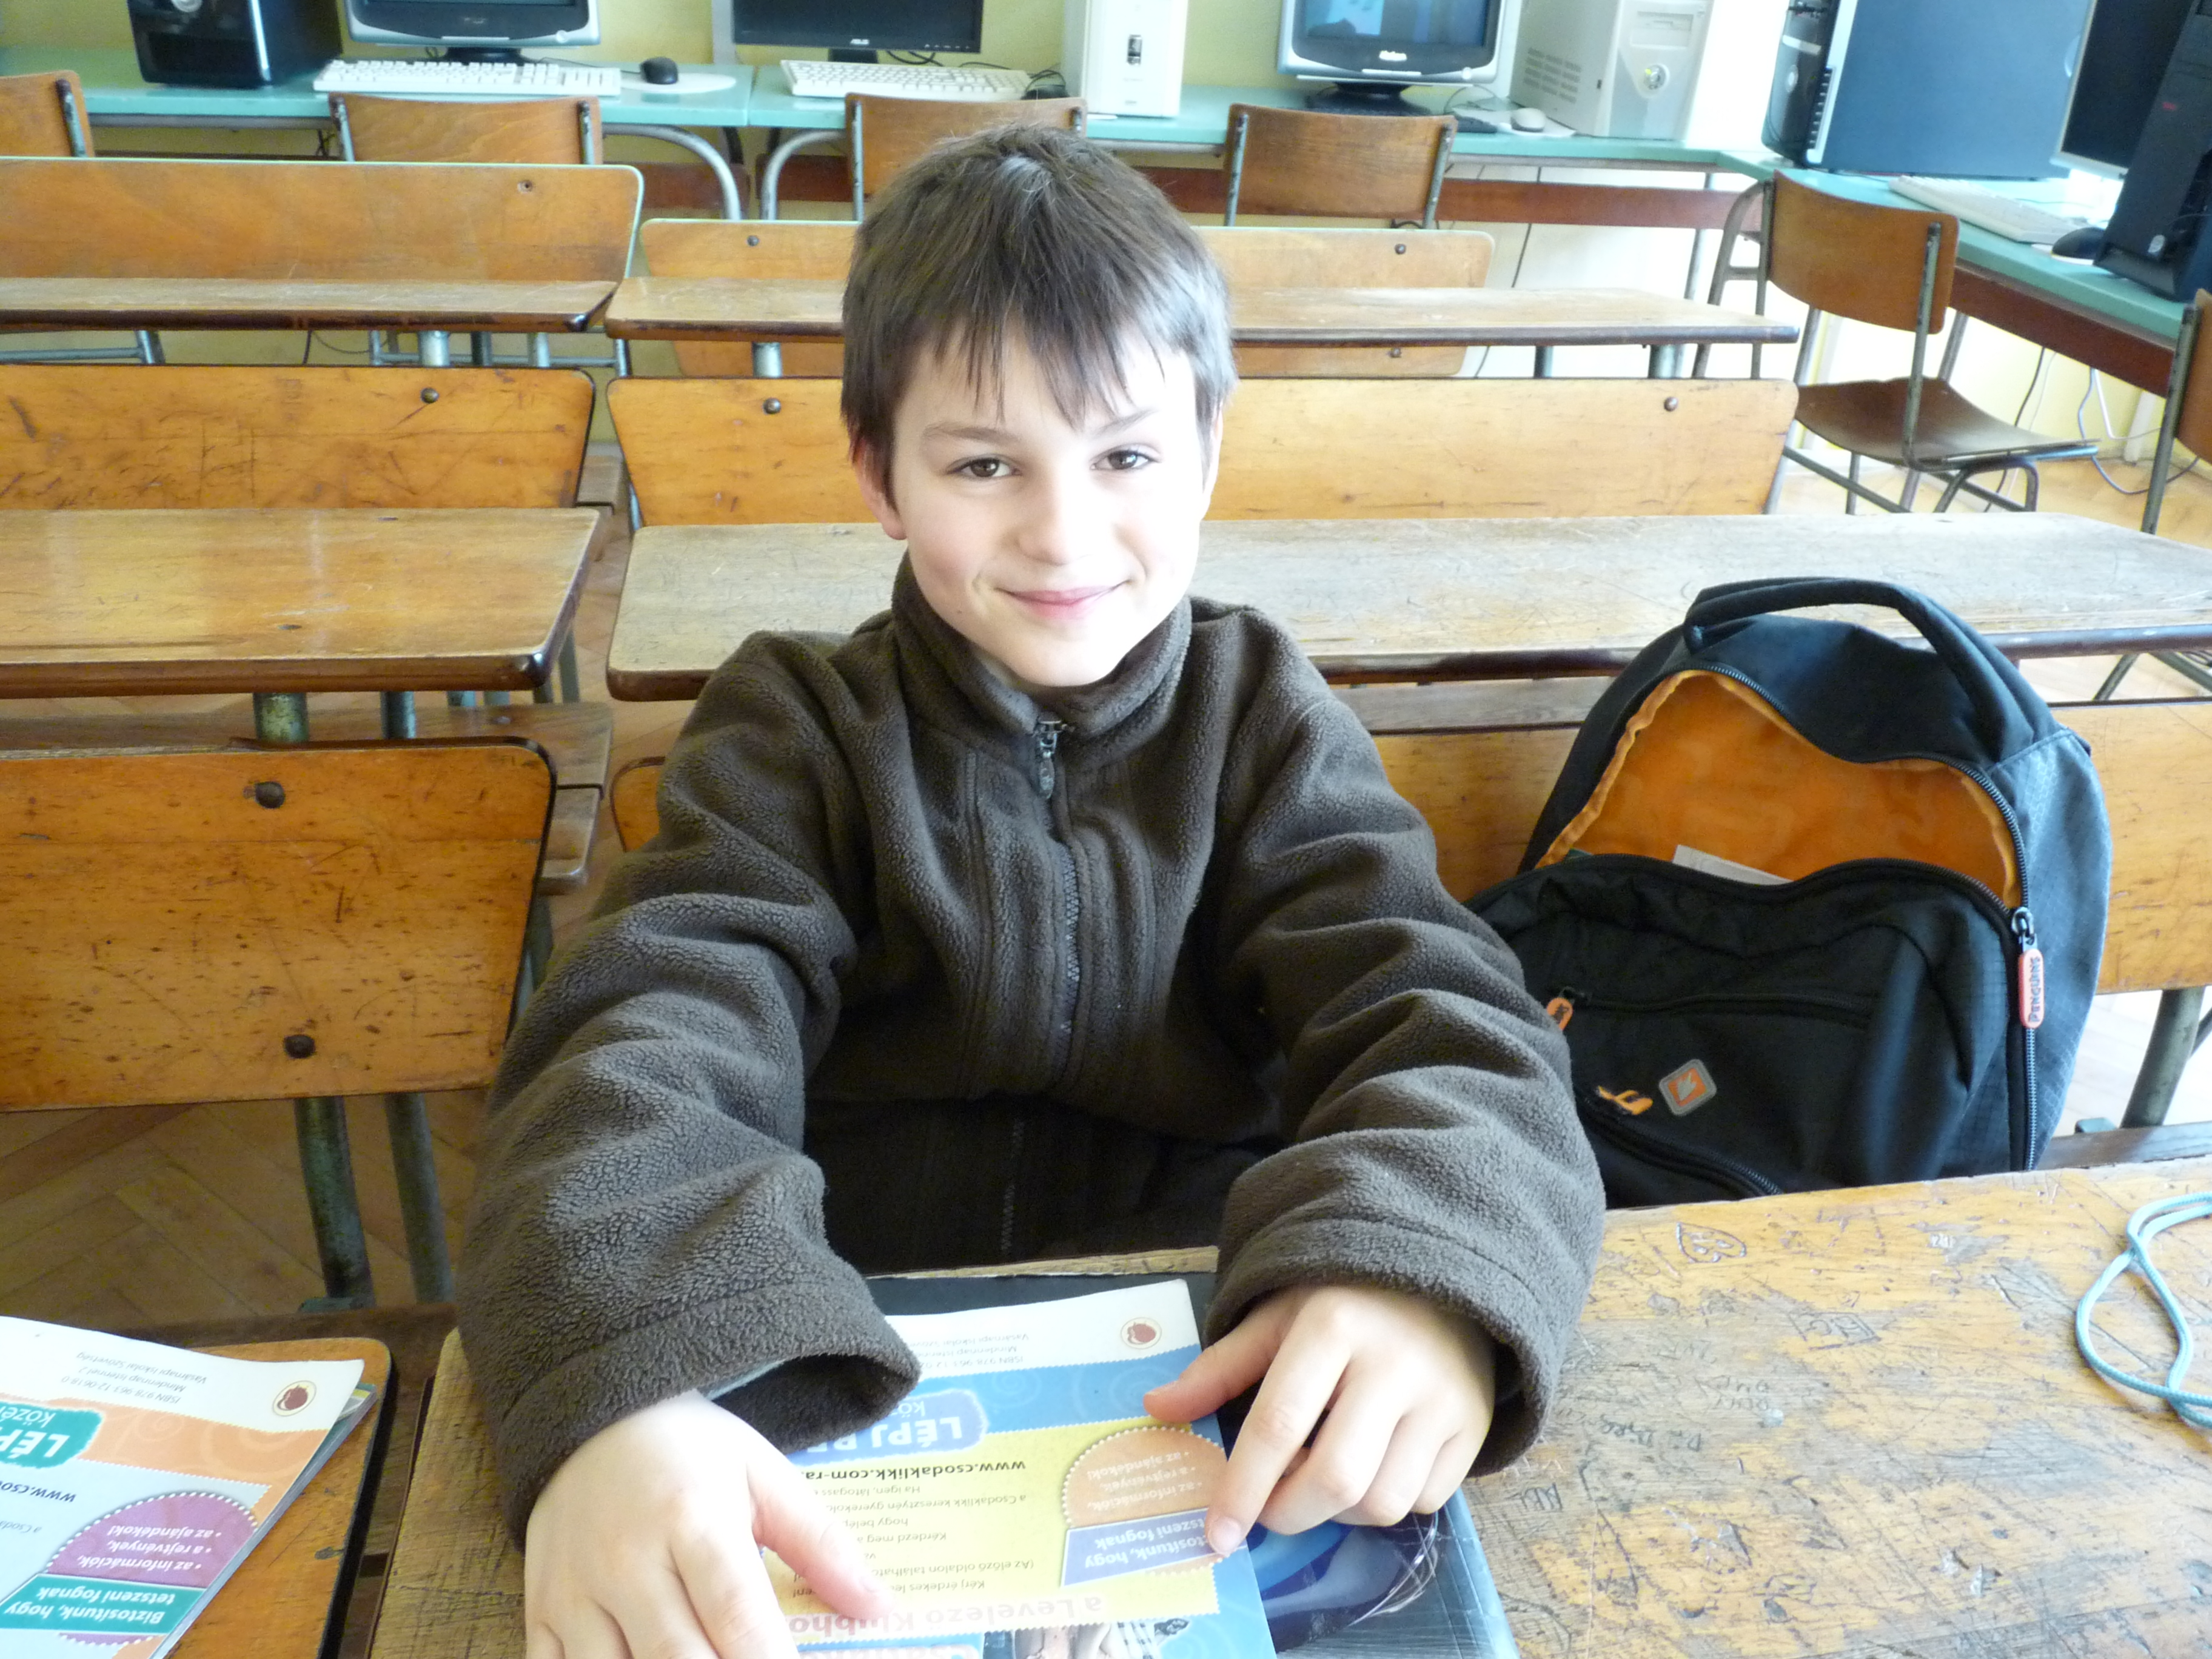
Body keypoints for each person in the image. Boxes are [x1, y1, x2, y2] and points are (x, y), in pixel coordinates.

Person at [458, 124, 1603, 1659]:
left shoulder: (1262, 719)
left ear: (1208, 452)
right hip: (835, 1358)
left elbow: (1439, 1010)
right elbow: (647, 1032)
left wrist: (1428, 1273)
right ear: (878, 473)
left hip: (1202, 1365)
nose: (1063, 534)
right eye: (985, 464)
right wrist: (636, 1371)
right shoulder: (795, 725)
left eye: (1127, 455)